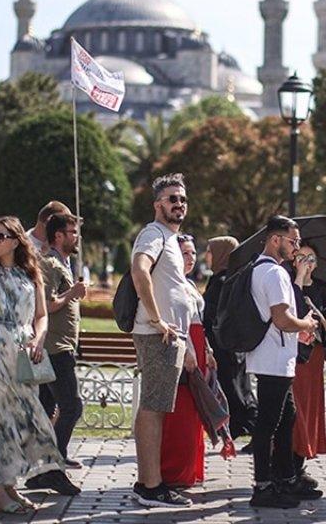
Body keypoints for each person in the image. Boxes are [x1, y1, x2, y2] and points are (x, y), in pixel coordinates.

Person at [0, 216, 74, 515]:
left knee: (23, 419)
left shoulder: (32, 273)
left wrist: (39, 339)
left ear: (16, 241)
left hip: (24, 350)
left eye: (0, 236)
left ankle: (10, 485)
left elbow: (42, 315)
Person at [129, 173, 196, 507]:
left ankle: (148, 481)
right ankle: (151, 487)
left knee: (153, 407)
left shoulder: (171, 237)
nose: (179, 204)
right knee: (154, 408)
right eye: (172, 199)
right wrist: (157, 320)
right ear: (158, 205)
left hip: (169, 336)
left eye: (182, 199)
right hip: (158, 335)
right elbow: (139, 270)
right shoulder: (153, 234)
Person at [245, 215, 321, 509]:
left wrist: (297, 329)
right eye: (293, 241)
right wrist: (304, 325)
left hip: (276, 357)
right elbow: (281, 318)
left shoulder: (266, 269)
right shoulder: (274, 274)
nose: (296, 247)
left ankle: (285, 477)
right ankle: (263, 486)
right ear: (275, 239)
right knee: (268, 423)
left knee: (286, 417)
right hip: (272, 360)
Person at [289, 243, 326, 490]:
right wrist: (299, 281)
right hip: (289, 357)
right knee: (292, 412)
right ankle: (285, 465)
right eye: (301, 257)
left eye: (311, 258)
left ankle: (299, 464)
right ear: (293, 260)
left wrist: (319, 319)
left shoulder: (323, 289)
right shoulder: (286, 284)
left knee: (309, 410)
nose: (306, 262)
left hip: (312, 359)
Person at [159, 233, 214, 489]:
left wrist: (209, 351)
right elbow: (178, 322)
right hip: (184, 349)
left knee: (196, 411)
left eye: (193, 253)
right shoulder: (170, 284)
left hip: (199, 347)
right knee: (180, 412)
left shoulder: (189, 284)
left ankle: (192, 468)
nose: (190, 258)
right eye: (184, 253)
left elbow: (199, 320)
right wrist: (189, 350)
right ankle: (174, 472)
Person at [37, 212, 87, 469]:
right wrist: (72, 293)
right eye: (72, 232)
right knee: (72, 407)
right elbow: (46, 304)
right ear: (58, 235)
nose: (77, 237)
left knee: (47, 407)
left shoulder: (63, 263)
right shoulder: (50, 264)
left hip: (60, 345)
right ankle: (51, 461)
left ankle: (49, 460)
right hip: (55, 348)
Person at [201, 235, 256, 443]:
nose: (206, 255)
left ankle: (261, 434)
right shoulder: (223, 278)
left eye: (210, 251)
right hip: (227, 348)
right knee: (237, 391)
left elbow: (217, 316)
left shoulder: (223, 281)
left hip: (225, 349)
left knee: (237, 393)